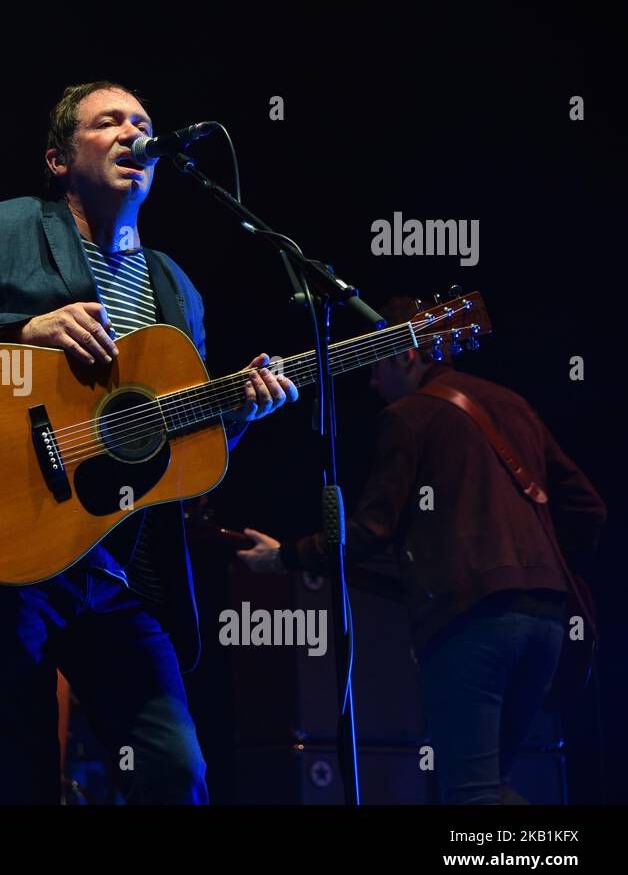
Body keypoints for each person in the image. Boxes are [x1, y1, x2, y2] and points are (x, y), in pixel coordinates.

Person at [0, 81, 298, 803]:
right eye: (110, 122)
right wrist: (18, 332)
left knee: (176, 770)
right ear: (57, 159)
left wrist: (237, 413)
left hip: (121, 567)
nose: (134, 132)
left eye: (143, 122)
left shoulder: (177, 288)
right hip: (8, 553)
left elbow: (165, 438)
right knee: (22, 776)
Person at [237, 295, 607, 804]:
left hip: (473, 622)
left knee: (471, 792)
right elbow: (589, 509)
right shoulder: (510, 403)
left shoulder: (408, 416)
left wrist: (284, 556)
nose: (370, 383)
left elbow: (368, 532)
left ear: (405, 355)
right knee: (491, 785)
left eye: (375, 368)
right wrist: (534, 562)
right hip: (548, 619)